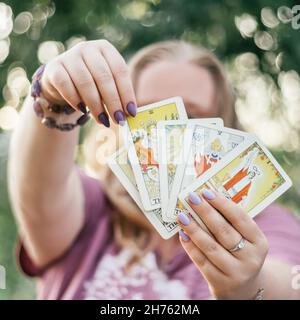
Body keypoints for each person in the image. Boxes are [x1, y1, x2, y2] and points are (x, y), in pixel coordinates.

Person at [8, 40, 300, 300]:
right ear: (118, 121)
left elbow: (288, 283)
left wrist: (250, 288)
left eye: (190, 115)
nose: (165, 132)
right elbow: (37, 185)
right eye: (145, 112)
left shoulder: (262, 221)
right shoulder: (93, 207)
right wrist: (53, 95)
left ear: (223, 130)